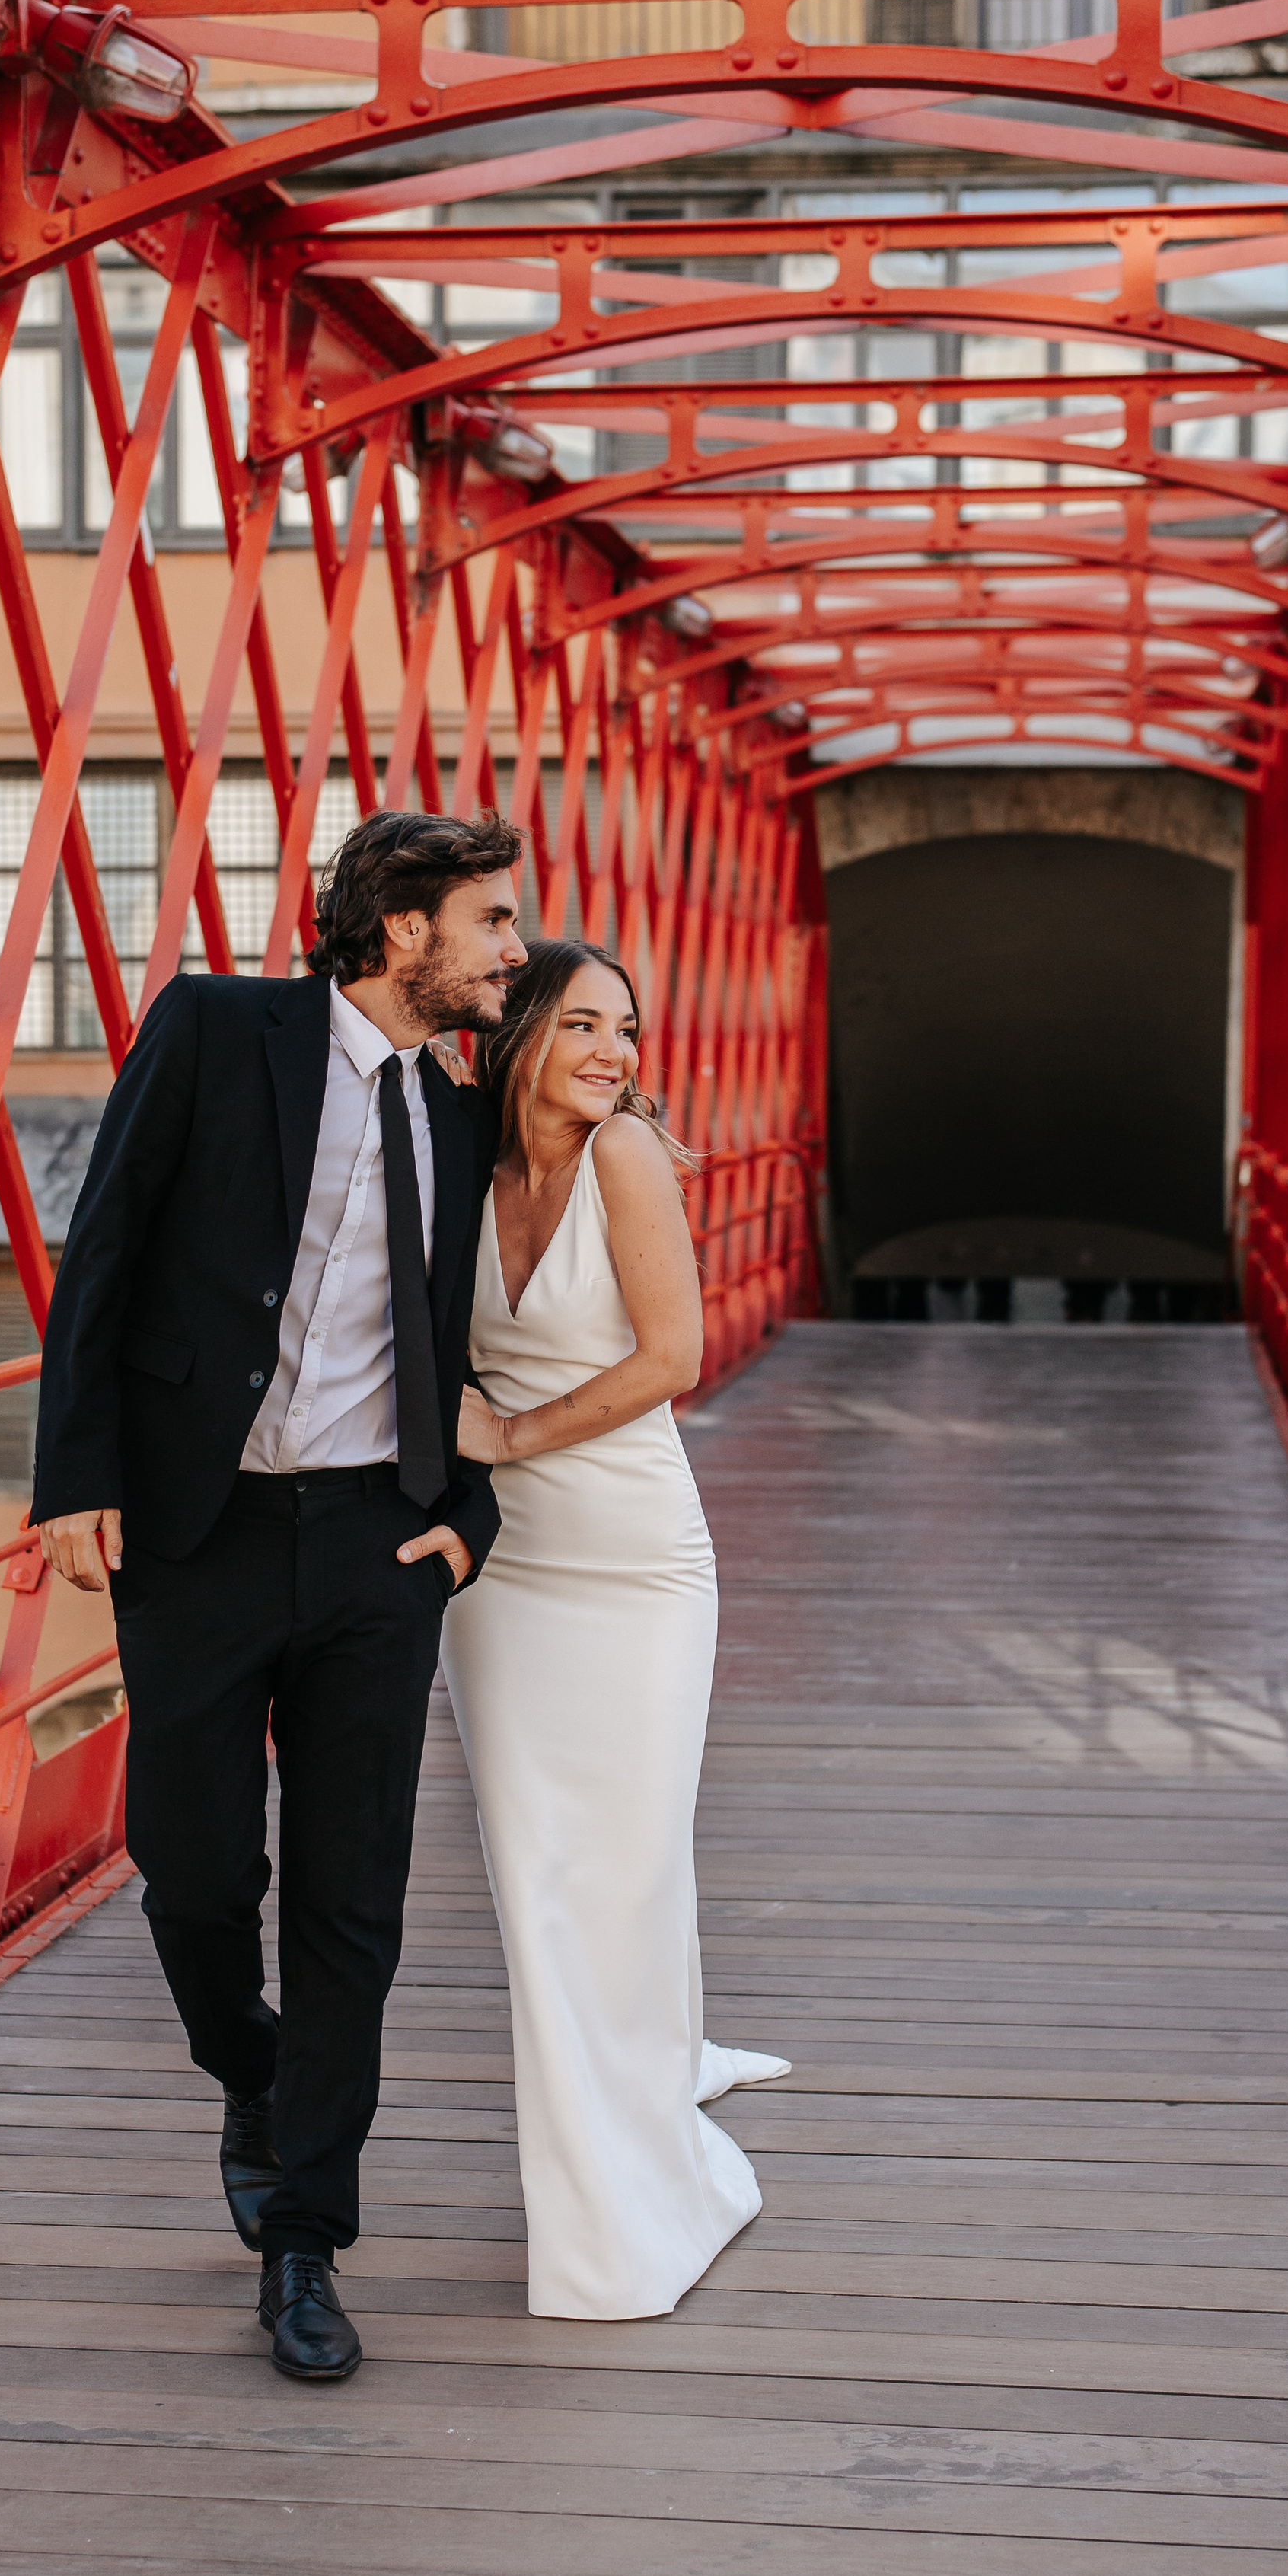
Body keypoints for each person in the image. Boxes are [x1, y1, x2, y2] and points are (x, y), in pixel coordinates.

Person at [31, 809, 526, 2384]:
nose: (512, 951)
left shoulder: (461, 1111)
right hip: (203, 1531)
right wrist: (71, 1475)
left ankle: (305, 2240)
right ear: (404, 930)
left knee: (350, 1906)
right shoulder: (211, 1029)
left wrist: (463, 1518)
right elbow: (104, 1251)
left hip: (378, 1544)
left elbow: (472, 1340)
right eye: (492, 922)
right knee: (189, 1874)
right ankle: (250, 2069)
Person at [443, 939, 789, 2321]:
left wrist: (508, 1436)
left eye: (627, 1029)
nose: (614, 1053)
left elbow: (672, 1359)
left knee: (628, 1869)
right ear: (518, 1027)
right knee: (540, 1883)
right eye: (584, 1024)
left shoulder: (626, 1156)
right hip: (504, 1577)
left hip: (635, 1560)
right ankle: (594, 2190)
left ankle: (639, 2194)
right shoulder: (457, 1156)